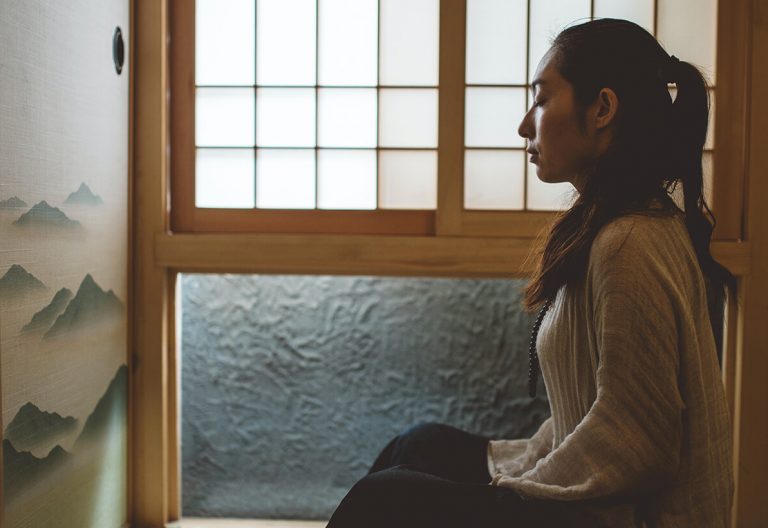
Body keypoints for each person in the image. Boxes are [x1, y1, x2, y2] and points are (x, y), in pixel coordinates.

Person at [326, 18, 734, 528]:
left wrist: (516, 490)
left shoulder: (629, 241)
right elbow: (581, 415)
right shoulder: (615, 224)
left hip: (625, 516)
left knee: (386, 500)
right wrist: (517, 467)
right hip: (599, 502)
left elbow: (640, 438)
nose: (525, 124)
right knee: (419, 445)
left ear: (602, 109)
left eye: (541, 100)